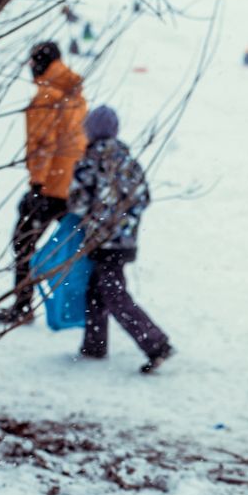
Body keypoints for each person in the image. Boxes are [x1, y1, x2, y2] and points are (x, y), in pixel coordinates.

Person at [69, 106, 173, 373]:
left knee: (113, 294)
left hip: (101, 240)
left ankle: (155, 343)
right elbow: (144, 197)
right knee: (98, 289)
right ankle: (94, 344)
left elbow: (77, 202)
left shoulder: (90, 161)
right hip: (124, 240)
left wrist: (96, 218)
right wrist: (124, 220)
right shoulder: (128, 160)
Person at [0, 41, 88, 325]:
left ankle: (23, 306)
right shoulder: (76, 96)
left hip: (50, 186)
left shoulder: (47, 96)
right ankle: (85, 311)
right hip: (73, 185)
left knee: (23, 243)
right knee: (75, 248)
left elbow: (43, 145)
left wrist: (37, 184)